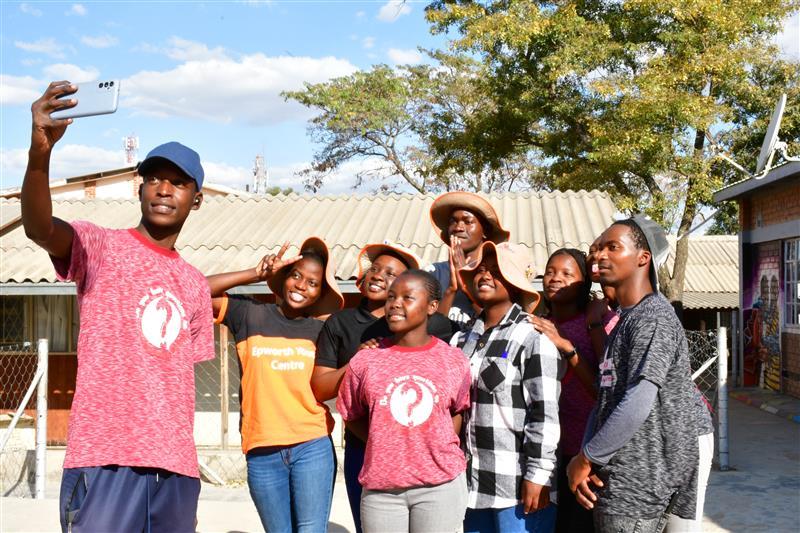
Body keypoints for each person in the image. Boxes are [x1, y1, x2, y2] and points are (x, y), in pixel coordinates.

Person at [22, 82, 215, 532]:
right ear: (140, 188)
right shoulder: (102, 248)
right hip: (104, 458)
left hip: (176, 467)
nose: (164, 189)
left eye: (178, 182)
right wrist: (40, 155)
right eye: (154, 178)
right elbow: (40, 228)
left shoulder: (193, 283)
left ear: (196, 198)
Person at [568, 217, 714, 533]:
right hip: (631, 465)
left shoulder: (652, 318)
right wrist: (588, 453)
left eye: (612, 247)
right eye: (598, 249)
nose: (600, 256)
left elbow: (639, 399)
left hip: (658, 465)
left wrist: (588, 457)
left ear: (642, 258)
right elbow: (606, 397)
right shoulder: (625, 320)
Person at [311, 243, 454, 533]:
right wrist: (359, 362)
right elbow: (320, 388)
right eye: (375, 268)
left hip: (422, 454)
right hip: (365, 450)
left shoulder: (438, 327)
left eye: (391, 273)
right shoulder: (342, 322)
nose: (378, 275)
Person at [208, 238, 344, 532]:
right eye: (296, 276)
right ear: (283, 277)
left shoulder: (323, 331)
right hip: (262, 448)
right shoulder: (250, 314)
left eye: (312, 282)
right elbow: (192, 291)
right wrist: (255, 274)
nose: (301, 286)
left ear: (321, 291)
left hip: (312, 444)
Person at [337, 270, 472, 532]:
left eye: (407, 297)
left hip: (439, 488)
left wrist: (429, 441)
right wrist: (386, 441)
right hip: (382, 492)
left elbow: (458, 411)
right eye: (390, 297)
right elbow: (351, 414)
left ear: (432, 306)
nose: (395, 304)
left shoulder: (453, 360)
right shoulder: (366, 361)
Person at [452, 241, 562, 533]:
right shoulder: (461, 341)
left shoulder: (532, 337)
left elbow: (544, 413)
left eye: (497, 270)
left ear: (514, 282)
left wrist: (538, 476)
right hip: (470, 484)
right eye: (481, 269)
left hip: (516, 484)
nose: (485, 275)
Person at [531, 249, 618, 533]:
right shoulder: (536, 324)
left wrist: (565, 346)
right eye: (550, 272)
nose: (555, 279)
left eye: (567, 274)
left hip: (588, 452)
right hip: (550, 452)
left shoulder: (599, 322)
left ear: (584, 284)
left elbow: (605, 392)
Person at [427, 191, 511, 327]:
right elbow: (430, 329)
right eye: (453, 222)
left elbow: (499, 324)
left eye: (468, 222)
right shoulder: (432, 272)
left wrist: (465, 285)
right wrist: (451, 290)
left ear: (485, 232)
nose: (458, 228)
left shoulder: (497, 274)